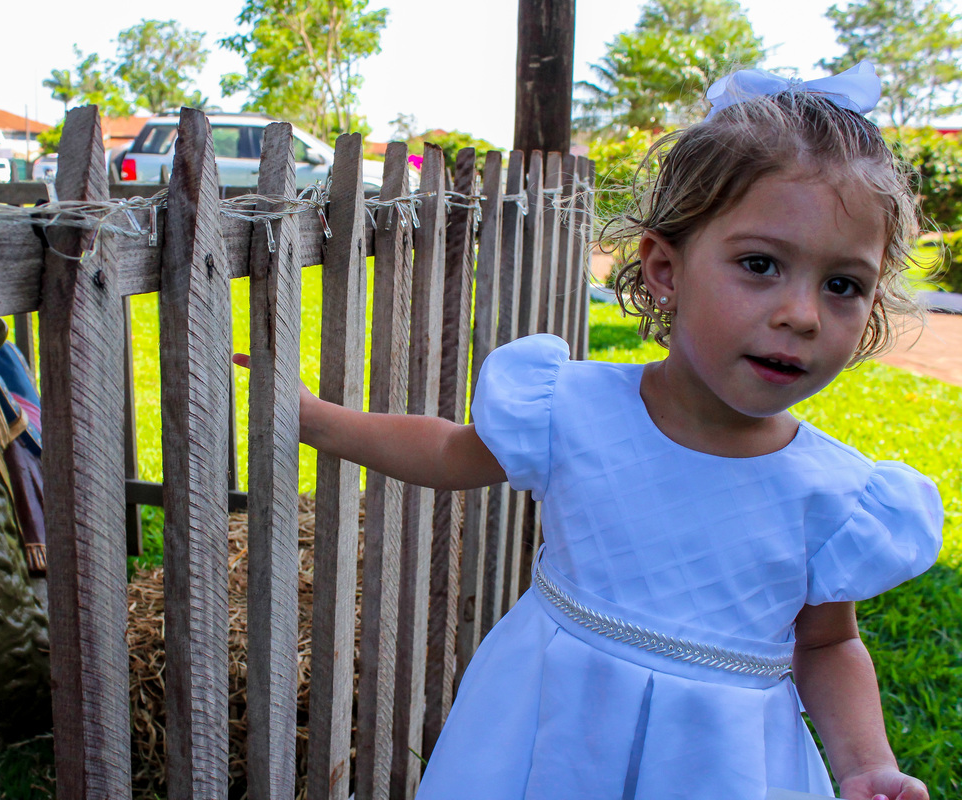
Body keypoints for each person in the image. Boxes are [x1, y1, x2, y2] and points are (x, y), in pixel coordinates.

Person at [238, 61, 945, 799]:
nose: (802, 315)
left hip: (717, 770)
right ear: (665, 269)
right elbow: (448, 451)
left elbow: (827, 643)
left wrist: (866, 764)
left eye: (843, 285)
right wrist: (314, 417)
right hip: (547, 735)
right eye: (761, 264)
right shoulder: (572, 406)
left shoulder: (836, 497)